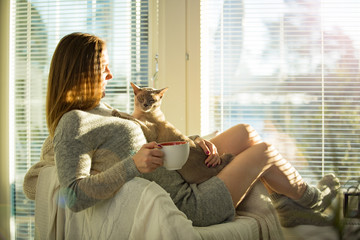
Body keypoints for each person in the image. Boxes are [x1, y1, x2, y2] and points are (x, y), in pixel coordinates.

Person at [23, 32, 340, 228]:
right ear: (80, 72)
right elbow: (72, 196)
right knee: (266, 151)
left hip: (181, 174)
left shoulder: (101, 111)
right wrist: (131, 166)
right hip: (190, 202)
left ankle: (288, 200)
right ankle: (312, 200)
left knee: (244, 131)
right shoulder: (73, 123)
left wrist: (196, 141)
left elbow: (152, 137)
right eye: (101, 66)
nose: (109, 73)